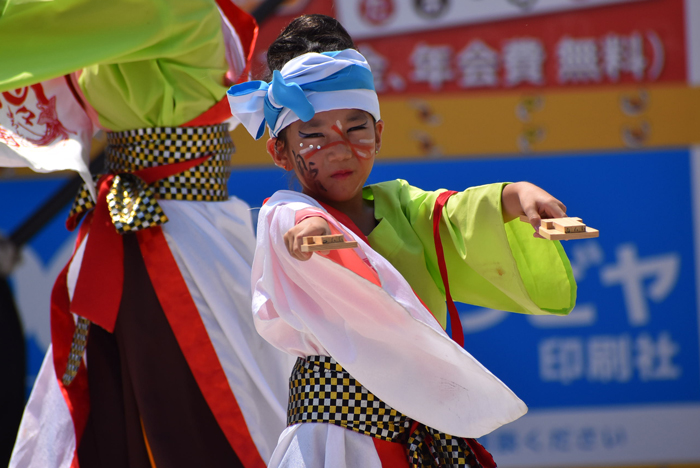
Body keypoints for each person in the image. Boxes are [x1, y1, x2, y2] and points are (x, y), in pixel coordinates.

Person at [227, 14, 576, 468]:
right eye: (313, 136)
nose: (339, 150)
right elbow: (294, 227)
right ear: (279, 150)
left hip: (420, 427)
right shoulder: (285, 210)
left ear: (379, 134)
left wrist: (515, 195)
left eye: (356, 129)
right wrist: (307, 234)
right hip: (339, 436)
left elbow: (454, 213)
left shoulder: (402, 205)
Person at [0, 1, 293, 467]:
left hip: (166, 236)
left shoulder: (164, 6)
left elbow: (22, 33)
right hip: (163, 223)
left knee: (186, 412)